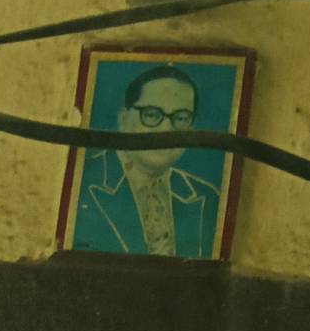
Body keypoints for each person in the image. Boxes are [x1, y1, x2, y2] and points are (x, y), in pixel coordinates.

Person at [77, 64, 223, 259]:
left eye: (181, 118)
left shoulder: (208, 198)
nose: (166, 129)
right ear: (123, 119)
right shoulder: (79, 183)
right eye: (152, 115)